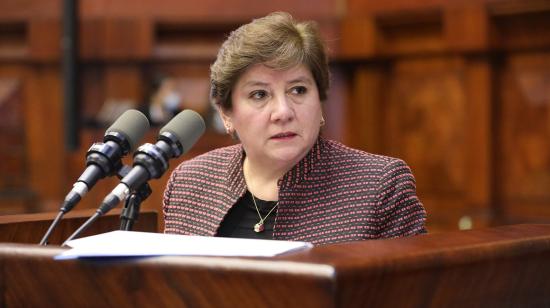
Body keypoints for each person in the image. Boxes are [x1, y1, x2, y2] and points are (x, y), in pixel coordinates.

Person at [163, 12, 427, 245]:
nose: (283, 112)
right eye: (259, 94)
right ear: (226, 113)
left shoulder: (379, 186)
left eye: (298, 90)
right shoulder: (190, 182)